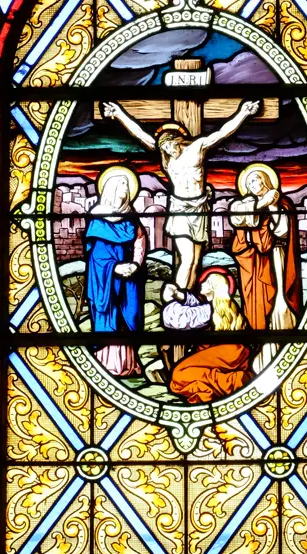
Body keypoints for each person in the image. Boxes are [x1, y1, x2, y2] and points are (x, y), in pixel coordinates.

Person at [102, 100, 261, 290]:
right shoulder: (168, 159)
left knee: (195, 261)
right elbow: (140, 134)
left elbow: (222, 133)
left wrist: (243, 113)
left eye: (170, 145)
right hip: (180, 209)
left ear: (177, 140)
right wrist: (119, 114)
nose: (169, 151)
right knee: (186, 258)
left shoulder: (197, 147)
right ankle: (175, 299)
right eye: (164, 149)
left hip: (200, 209)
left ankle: (187, 298)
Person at [230, 163, 303, 373]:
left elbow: (283, 231)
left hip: (278, 258)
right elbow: (239, 221)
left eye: (257, 180)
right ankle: (258, 354)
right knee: (257, 305)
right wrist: (262, 204)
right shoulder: (244, 204)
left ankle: (284, 350)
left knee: (280, 300)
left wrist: (272, 207)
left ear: (266, 181)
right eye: (250, 182)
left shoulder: (283, 204)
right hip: (254, 264)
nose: (253, 184)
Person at [85, 166, 147, 376]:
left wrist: (135, 264)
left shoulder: (131, 218)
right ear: (110, 188)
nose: (125, 188)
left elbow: (139, 241)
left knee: (130, 316)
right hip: (106, 280)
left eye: (127, 185)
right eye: (121, 184)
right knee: (109, 315)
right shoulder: (97, 218)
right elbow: (96, 256)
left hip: (130, 279)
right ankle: (107, 364)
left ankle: (129, 364)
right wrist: (114, 268)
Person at [163, 269, 252, 404]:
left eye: (206, 281)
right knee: (183, 377)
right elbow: (196, 306)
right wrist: (178, 295)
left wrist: (169, 300)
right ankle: (222, 380)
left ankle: (233, 381)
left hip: (227, 351)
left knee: (179, 375)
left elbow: (179, 320)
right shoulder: (222, 306)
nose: (202, 283)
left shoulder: (210, 310)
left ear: (213, 288)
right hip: (233, 351)